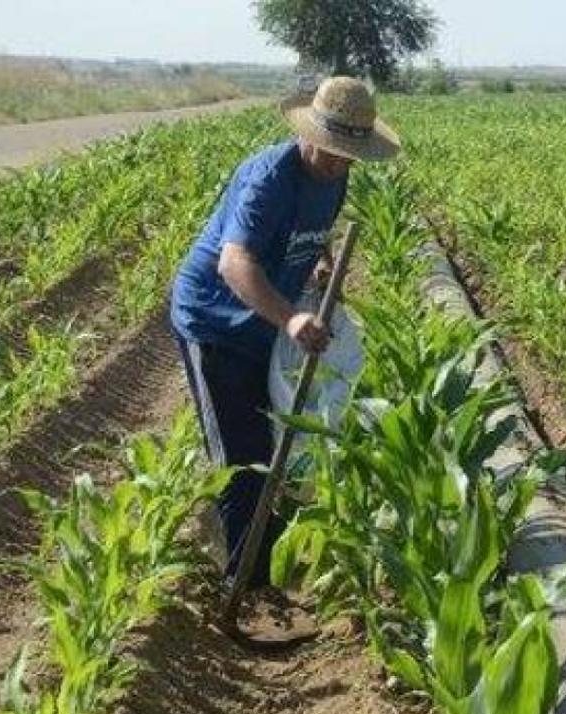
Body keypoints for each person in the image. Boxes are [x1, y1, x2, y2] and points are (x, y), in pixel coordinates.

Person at [169, 76, 400, 592]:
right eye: (332, 150)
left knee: (270, 439)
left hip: (261, 323)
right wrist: (292, 319)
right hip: (214, 321)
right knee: (239, 457)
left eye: (349, 155)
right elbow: (234, 263)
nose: (339, 163)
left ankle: (260, 551)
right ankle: (242, 582)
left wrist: (322, 262)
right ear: (309, 134)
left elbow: (315, 229)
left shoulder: (336, 177)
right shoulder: (270, 179)